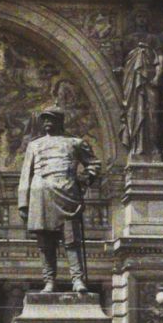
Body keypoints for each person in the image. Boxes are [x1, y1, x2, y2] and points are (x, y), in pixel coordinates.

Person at [15, 107, 101, 291]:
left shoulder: (75, 143)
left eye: (51, 119)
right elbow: (25, 176)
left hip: (67, 194)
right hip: (41, 194)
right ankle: (49, 281)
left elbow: (93, 164)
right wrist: (23, 203)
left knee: (71, 240)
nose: (47, 122)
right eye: (44, 119)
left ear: (60, 121)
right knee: (45, 243)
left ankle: (77, 279)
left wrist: (86, 178)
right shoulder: (34, 145)